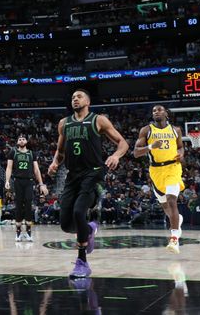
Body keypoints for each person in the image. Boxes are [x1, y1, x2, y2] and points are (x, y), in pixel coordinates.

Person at [48, 89, 128, 279]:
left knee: (78, 212)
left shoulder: (98, 120)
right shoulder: (64, 123)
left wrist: (116, 155)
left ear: (88, 101)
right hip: (72, 176)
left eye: (79, 96)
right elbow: (60, 151)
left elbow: (122, 142)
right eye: (73, 97)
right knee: (66, 224)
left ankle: (82, 262)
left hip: (93, 174)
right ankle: (90, 228)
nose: (75, 99)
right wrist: (54, 163)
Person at [133, 105, 185, 253]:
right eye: (154, 110)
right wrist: (150, 146)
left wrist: (181, 154)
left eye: (159, 110)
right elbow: (136, 153)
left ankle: (174, 239)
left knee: (171, 200)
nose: (156, 112)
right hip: (156, 170)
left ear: (166, 113)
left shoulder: (176, 130)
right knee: (165, 206)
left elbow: (180, 147)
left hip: (173, 168)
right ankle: (177, 220)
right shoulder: (147, 130)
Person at [5, 135, 48, 242]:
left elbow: (36, 170)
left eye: (23, 139)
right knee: (19, 205)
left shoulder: (31, 153)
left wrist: (41, 184)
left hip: (29, 181)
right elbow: (9, 167)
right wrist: (7, 180)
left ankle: (29, 233)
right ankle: (18, 233)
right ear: (17, 141)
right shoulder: (13, 152)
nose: (21, 140)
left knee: (28, 204)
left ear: (26, 141)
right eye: (19, 139)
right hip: (17, 181)